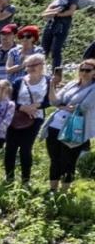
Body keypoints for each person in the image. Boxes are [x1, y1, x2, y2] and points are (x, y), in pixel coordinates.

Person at [44, 60, 95, 191]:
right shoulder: (72, 84)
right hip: (55, 125)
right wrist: (52, 85)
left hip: (75, 128)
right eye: (82, 69)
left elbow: (84, 106)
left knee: (68, 160)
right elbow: (54, 101)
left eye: (88, 70)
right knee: (54, 159)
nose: (84, 72)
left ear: (94, 73)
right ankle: (53, 190)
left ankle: (64, 192)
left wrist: (63, 106)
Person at [5, 55, 50, 182]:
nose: (31, 68)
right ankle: (9, 178)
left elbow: (50, 101)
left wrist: (36, 106)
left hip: (35, 118)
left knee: (25, 148)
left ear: (42, 65)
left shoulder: (48, 81)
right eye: (29, 65)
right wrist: (22, 107)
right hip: (16, 117)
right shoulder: (19, 81)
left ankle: (25, 179)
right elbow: (10, 100)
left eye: (35, 64)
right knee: (10, 148)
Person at [40, 0, 79, 86]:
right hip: (50, 26)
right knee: (43, 50)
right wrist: (54, 12)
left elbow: (71, 11)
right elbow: (45, 13)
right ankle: (39, 73)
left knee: (56, 51)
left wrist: (56, 14)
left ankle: (57, 77)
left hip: (61, 26)